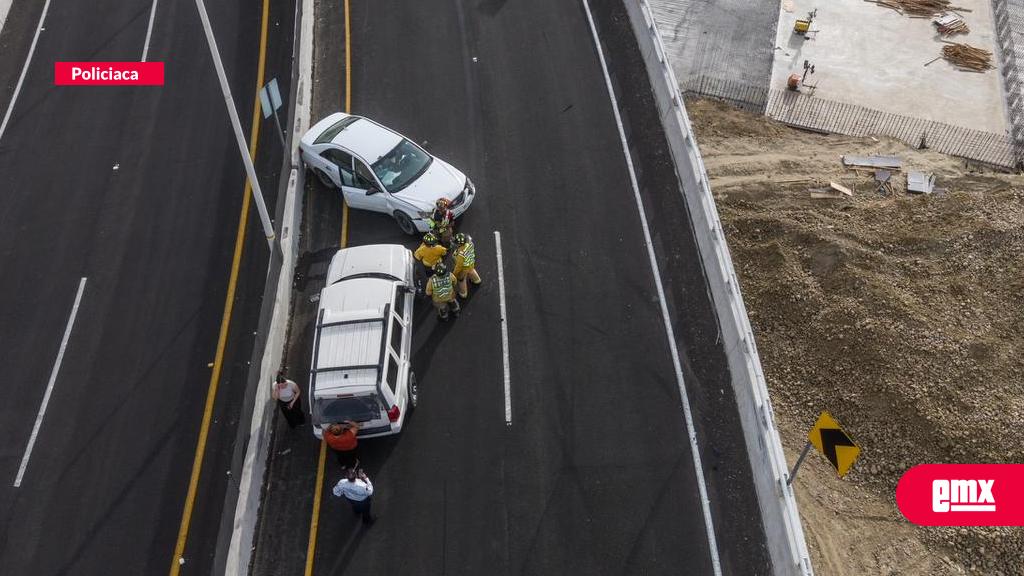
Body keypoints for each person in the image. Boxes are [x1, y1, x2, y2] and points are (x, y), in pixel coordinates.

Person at [452, 232, 482, 298]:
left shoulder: (461, 253)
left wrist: (454, 273)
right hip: (471, 263)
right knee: (471, 270)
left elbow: (459, 266)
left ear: (459, 244)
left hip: (464, 268)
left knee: (461, 279)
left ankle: (463, 293)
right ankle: (477, 280)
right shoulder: (470, 244)